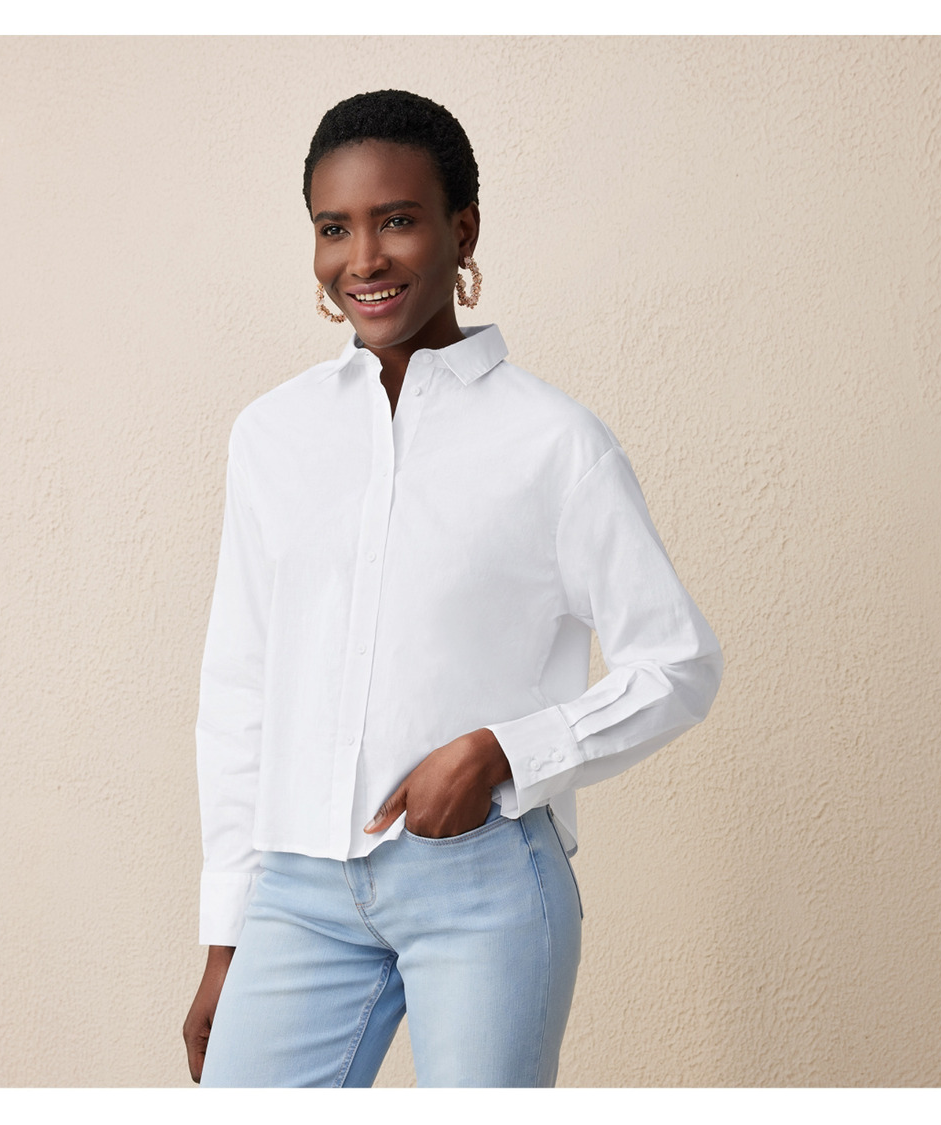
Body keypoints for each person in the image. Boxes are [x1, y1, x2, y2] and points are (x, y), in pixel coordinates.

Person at [182, 89, 724, 1088]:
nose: (364, 258)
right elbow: (242, 687)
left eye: (397, 219)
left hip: (483, 887)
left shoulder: (554, 443)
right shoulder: (271, 437)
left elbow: (678, 664)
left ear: (462, 229)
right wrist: (227, 933)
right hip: (298, 890)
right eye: (334, 228)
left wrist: (503, 752)